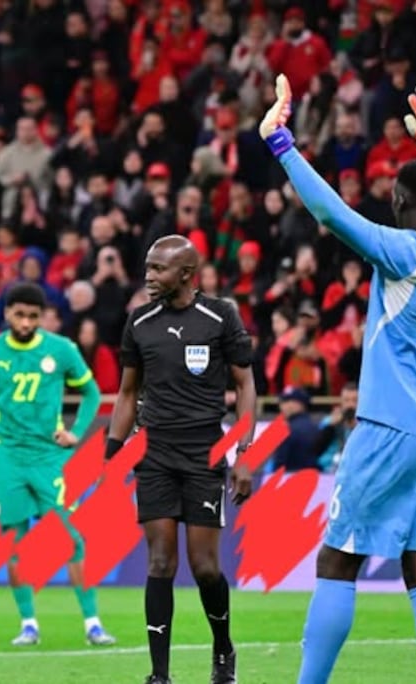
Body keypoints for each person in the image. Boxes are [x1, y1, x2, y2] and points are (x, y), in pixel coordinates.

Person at [262, 75, 416, 684]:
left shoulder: (401, 253)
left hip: (389, 428)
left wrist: (281, 144)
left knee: (337, 560)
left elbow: (331, 212)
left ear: (398, 202)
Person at [105, 234, 258, 684]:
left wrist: (244, 453)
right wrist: (112, 453)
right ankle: (159, 675)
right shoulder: (139, 321)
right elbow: (128, 393)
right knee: (160, 562)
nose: (149, 276)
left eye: (158, 268)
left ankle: (223, 648)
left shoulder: (220, 316)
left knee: (205, 567)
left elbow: (246, 386)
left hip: (204, 454)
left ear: (187, 274)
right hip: (154, 454)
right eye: (148, 267)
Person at [0, 282, 117, 648]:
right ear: (7, 313)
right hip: (8, 457)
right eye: (20, 315)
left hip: (49, 458)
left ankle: (93, 624)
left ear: (42, 316)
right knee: (14, 541)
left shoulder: (61, 349)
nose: (26, 322)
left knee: (71, 538)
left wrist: (77, 432)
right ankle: (29, 624)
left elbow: (92, 393)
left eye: (33, 316)